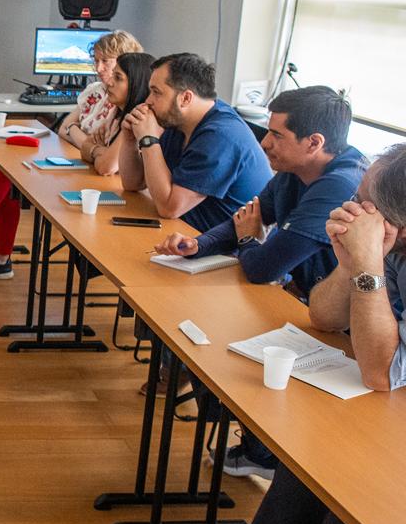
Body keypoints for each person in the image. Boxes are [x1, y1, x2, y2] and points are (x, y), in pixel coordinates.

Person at [149, 144, 406, 524]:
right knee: (321, 444)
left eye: (364, 202)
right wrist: (351, 262)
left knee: (375, 487)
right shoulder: (394, 248)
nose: (351, 207)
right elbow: (324, 317)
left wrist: (368, 264)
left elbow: (380, 370)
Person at [153, 86, 366, 478]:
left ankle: (268, 454)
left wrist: (250, 240)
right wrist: (198, 244)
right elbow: (247, 217)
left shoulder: (339, 184)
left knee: (231, 345)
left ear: (314, 143)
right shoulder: (294, 171)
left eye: (277, 135)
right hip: (307, 304)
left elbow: (263, 265)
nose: (265, 142)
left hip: (350, 324)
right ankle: (258, 448)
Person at [0, 30, 145, 280]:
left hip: (97, 182)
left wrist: (84, 142)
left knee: (11, 170)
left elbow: (106, 164)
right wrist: (90, 145)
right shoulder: (96, 91)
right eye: (96, 60)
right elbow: (64, 128)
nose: (99, 68)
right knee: (10, 167)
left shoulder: (128, 105)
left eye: (106, 62)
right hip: (81, 165)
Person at [119, 52, 272, 231]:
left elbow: (169, 208)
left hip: (224, 245)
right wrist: (130, 139)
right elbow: (133, 183)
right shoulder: (178, 120)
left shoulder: (221, 136)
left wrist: (149, 139)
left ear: (185, 98)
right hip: (185, 232)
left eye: (156, 92)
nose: (148, 101)